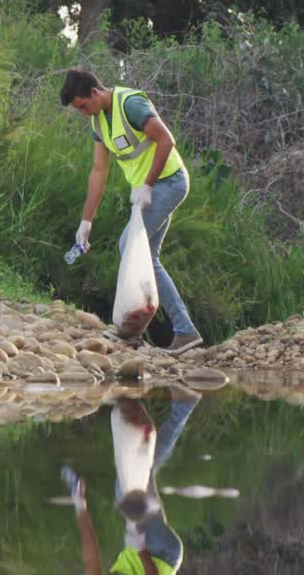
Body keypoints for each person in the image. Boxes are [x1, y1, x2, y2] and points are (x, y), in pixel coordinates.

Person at [58, 68, 201, 354]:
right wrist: (86, 221)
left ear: (95, 93)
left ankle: (159, 330)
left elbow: (166, 140)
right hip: (148, 193)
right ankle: (177, 331)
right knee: (148, 256)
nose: (83, 112)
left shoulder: (131, 105)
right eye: (78, 109)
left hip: (168, 182)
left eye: (83, 106)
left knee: (129, 246)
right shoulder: (98, 123)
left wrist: (147, 186)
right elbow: (99, 172)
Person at [62, 389, 199, 574]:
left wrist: (80, 504)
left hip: (146, 551)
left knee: (141, 476)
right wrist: (140, 547)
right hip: (162, 555)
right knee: (131, 488)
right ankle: (178, 407)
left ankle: (180, 406)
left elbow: (92, 559)